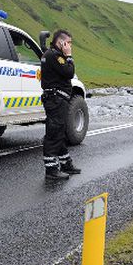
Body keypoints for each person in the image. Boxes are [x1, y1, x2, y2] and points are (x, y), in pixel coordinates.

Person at [40, 29, 81, 180]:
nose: (70, 46)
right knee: (54, 133)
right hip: (56, 100)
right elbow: (69, 72)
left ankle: (65, 164)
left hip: (57, 99)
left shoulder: (52, 55)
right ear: (61, 42)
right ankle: (51, 170)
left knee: (60, 132)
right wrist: (69, 55)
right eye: (68, 43)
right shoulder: (55, 56)